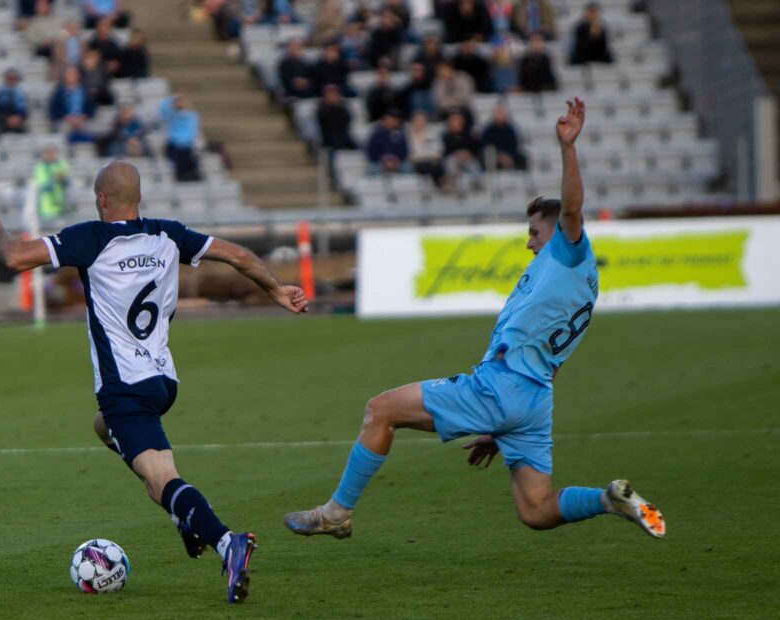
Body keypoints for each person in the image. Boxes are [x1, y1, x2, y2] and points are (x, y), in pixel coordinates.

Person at [284, 98, 667, 544]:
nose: (528, 243)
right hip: (534, 400)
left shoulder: (569, 252)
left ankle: (335, 513)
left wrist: (567, 148)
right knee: (537, 510)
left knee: (380, 410)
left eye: (534, 233)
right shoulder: (577, 287)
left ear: (557, 231)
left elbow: (572, 210)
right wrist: (496, 424)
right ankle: (608, 500)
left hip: (500, 386)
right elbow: (555, 363)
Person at [0, 161, 309, 604]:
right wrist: (275, 290)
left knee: (159, 478)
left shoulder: (89, 239)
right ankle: (183, 517)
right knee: (103, 428)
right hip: (163, 380)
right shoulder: (168, 234)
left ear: (101, 200)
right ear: (139, 199)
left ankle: (227, 542)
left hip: (125, 389)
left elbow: (15, 257)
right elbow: (237, 255)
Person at [48, 66, 96, 142]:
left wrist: (84, 116)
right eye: (69, 74)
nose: (72, 76)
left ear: (78, 75)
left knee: (91, 129)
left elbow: (92, 109)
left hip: (83, 121)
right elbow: (53, 111)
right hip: (65, 122)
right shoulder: (59, 92)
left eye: (74, 73)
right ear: (65, 76)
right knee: (64, 129)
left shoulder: (85, 91)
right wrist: (66, 117)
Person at [160, 94, 201, 181]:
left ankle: (185, 174)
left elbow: (192, 130)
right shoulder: (171, 114)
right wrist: (172, 98)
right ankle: (185, 174)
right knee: (182, 154)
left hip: (185, 144)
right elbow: (162, 108)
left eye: (182, 102)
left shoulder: (191, 115)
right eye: (178, 102)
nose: (180, 104)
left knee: (186, 153)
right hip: (174, 144)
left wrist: (184, 141)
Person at [480, 102, 526, 169]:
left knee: (522, 158)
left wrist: (508, 156)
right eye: (498, 114)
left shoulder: (510, 129)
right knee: (487, 158)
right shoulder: (489, 129)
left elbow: (514, 145)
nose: (500, 116)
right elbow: (486, 145)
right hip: (495, 156)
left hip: (509, 155)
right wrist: (499, 156)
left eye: (502, 114)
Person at [33, 145, 72, 223]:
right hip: (47, 209)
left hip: (62, 206)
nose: (50, 155)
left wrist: (63, 178)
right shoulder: (40, 167)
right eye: (48, 153)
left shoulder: (62, 164)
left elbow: (68, 183)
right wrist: (54, 178)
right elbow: (42, 187)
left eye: (52, 152)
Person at [0, 68, 30, 135]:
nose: (11, 81)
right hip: (0, 123)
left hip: (16, 125)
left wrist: (18, 118)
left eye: (14, 78)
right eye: (9, 78)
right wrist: (6, 119)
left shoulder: (21, 95)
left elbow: (25, 113)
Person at [441, 110, 481, 183]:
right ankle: (453, 183)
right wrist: (456, 154)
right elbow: (445, 151)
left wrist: (467, 154)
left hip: (467, 158)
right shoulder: (446, 135)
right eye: (454, 121)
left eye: (458, 121)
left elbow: (474, 148)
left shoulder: (469, 134)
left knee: (474, 165)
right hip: (453, 158)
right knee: (450, 164)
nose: (456, 123)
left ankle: (477, 183)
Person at [432, 60, 475, 128]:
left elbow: (466, 98)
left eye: (442, 69)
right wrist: (456, 99)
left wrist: (450, 100)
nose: (439, 72)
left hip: (463, 110)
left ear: (450, 68)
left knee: (469, 117)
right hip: (446, 112)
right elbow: (440, 102)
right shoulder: (438, 82)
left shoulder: (464, 78)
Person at [366, 109, 409, 174]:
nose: (391, 122)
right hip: (379, 162)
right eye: (388, 120)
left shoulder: (401, 134)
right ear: (383, 121)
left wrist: (396, 160)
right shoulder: (376, 135)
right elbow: (371, 151)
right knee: (372, 170)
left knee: (407, 168)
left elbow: (404, 151)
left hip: (397, 162)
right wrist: (383, 160)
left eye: (393, 120)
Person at [407, 111, 443, 186]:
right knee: (428, 166)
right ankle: (439, 184)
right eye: (417, 120)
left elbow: (438, 151)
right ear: (413, 122)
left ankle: (439, 184)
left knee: (438, 165)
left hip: (432, 161)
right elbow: (411, 155)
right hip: (418, 163)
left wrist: (426, 155)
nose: (420, 123)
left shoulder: (432, 133)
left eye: (422, 120)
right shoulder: (408, 136)